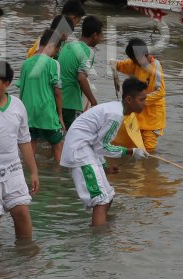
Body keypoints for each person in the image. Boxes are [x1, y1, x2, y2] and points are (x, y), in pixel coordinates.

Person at [59, 76, 149, 227]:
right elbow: (102, 146)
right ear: (129, 99)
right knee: (100, 200)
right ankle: (98, 243)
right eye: (142, 99)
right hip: (79, 152)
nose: (144, 103)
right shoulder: (115, 115)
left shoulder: (115, 110)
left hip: (87, 149)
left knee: (109, 195)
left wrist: (104, 166)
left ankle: (103, 232)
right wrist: (131, 152)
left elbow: (97, 143)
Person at [0, 62, 39, 242]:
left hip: (14, 170)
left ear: (7, 84)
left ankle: (26, 260)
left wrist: (33, 171)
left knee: (22, 214)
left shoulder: (18, 106)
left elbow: (24, 141)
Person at [17, 28, 64, 161]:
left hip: (28, 113)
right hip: (47, 113)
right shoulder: (54, 64)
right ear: (52, 46)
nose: (55, 53)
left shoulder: (25, 64)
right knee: (58, 146)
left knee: (30, 147)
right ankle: (58, 178)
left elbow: (22, 88)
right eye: (56, 50)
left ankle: (30, 176)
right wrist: (60, 115)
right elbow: (57, 92)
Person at [114, 38, 166, 152]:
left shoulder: (155, 66)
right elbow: (118, 65)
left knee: (149, 151)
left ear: (146, 53)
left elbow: (160, 92)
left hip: (152, 118)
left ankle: (149, 169)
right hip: (137, 116)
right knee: (135, 147)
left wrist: (140, 100)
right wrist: (113, 66)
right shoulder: (135, 64)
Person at [58, 15, 103, 130]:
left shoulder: (67, 46)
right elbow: (81, 78)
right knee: (73, 139)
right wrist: (94, 102)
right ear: (95, 35)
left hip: (56, 101)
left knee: (58, 139)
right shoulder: (88, 52)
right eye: (101, 35)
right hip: (71, 104)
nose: (101, 39)